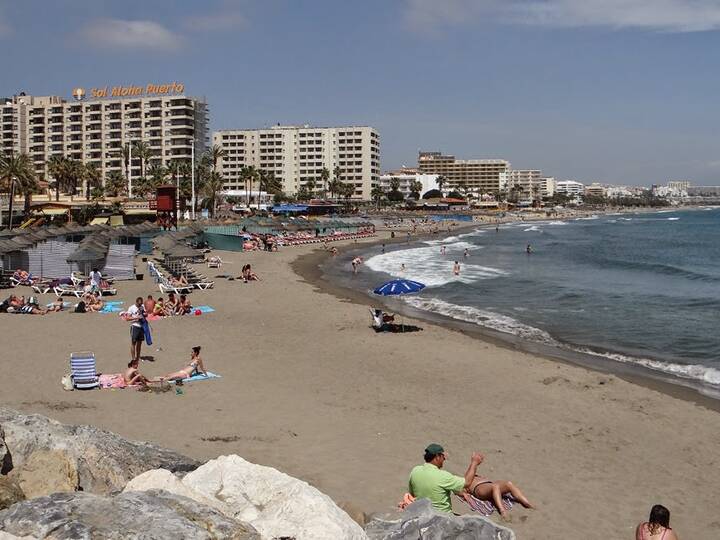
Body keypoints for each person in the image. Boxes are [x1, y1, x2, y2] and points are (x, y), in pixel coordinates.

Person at [408, 444, 484, 513]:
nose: (444, 459)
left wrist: (457, 491)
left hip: (422, 515)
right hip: (442, 517)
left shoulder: (415, 471)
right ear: (437, 457)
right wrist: (474, 463)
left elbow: (413, 493)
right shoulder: (443, 476)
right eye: (443, 457)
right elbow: (467, 482)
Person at [127, 297, 146, 364]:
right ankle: (133, 358)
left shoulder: (142, 307)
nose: (140, 305)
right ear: (136, 302)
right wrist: (136, 317)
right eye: (139, 304)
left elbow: (144, 313)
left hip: (141, 326)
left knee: (139, 344)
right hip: (135, 326)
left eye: (141, 304)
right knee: (133, 343)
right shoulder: (131, 308)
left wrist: (144, 315)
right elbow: (127, 318)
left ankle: (138, 357)